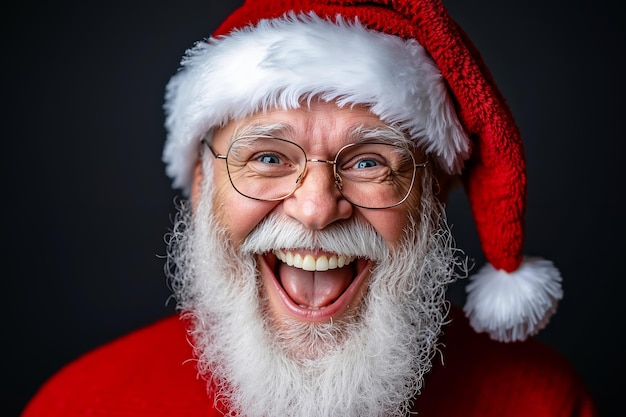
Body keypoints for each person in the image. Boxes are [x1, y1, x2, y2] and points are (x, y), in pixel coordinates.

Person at [21, 0, 598, 416]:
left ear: (432, 194)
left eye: (370, 162)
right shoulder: (80, 403)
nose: (317, 209)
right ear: (203, 188)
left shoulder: (540, 401)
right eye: (268, 158)